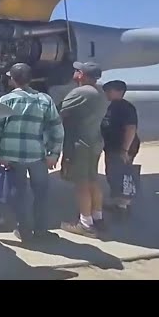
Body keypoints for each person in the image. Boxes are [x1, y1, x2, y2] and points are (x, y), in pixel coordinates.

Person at [0, 63, 65, 242]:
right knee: (41, 194)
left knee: (19, 194)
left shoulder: (6, 100)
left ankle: (23, 231)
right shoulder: (44, 100)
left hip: (12, 157)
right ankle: (41, 230)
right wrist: (54, 154)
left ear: (12, 80)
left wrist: (0, 154)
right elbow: (57, 129)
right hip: (37, 156)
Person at [59, 61, 109, 238]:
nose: (75, 72)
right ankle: (97, 217)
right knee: (93, 180)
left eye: (77, 70)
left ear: (82, 75)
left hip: (80, 144)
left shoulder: (81, 92)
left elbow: (60, 112)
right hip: (94, 142)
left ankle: (85, 224)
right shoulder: (100, 92)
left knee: (82, 184)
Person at [101, 80, 140, 215]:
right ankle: (117, 202)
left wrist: (125, 150)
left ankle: (122, 207)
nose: (106, 93)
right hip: (113, 148)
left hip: (122, 148)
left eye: (108, 90)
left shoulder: (125, 107)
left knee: (123, 176)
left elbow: (130, 128)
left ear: (118, 91)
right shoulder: (113, 106)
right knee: (113, 174)